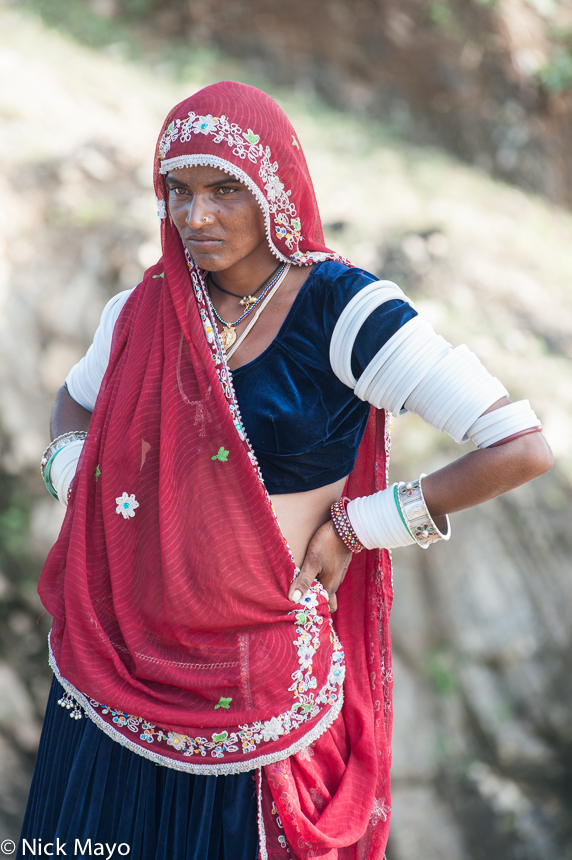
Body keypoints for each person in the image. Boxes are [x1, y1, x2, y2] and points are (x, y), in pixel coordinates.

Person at [23, 81, 553, 860]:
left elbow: (519, 447)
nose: (195, 216)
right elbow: (74, 402)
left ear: (275, 188)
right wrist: (78, 479)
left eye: (224, 190)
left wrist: (359, 525)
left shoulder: (346, 311)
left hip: (256, 687)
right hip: (117, 668)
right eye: (178, 190)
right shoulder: (148, 309)